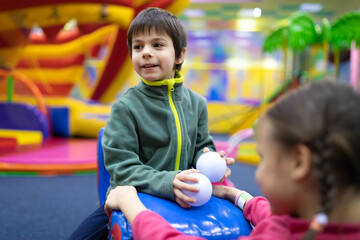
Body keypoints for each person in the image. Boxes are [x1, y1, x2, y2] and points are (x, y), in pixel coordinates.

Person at [105, 81, 360, 240]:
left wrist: (132, 207)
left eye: (263, 160)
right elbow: (272, 216)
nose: (257, 174)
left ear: (298, 163)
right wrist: (234, 195)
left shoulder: (277, 234)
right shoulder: (309, 223)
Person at [68, 7, 234, 240]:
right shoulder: (125, 107)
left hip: (185, 195)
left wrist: (213, 159)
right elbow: (122, 168)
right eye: (138, 47)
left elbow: (202, 147)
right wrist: (168, 181)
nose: (145, 52)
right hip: (133, 197)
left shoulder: (197, 104)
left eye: (157, 45)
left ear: (180, 55)